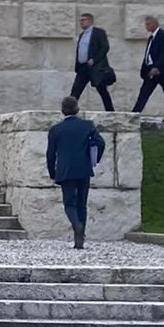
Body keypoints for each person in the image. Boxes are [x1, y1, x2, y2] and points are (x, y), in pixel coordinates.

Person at [46, 96, 106, 250]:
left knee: (69, 204)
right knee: (82, 204)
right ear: (77, 109)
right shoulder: (87, 125)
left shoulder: (56, 129)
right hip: (84, 169)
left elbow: (51, 155)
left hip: (65, 171)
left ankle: (76, 225)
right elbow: (100, 142)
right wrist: (94, 159)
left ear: (62, 111)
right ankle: (80, 238)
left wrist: (52, 173)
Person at [132, 14, 164, 122]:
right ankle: (134, 114)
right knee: (144, 93)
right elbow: (148, 54)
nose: (146, 26)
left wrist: (157, 67)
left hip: (162, 72)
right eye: (146, 24)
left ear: (154, 24)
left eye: (148, 24)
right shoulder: (151, 38)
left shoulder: (163, 35)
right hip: (151, 72)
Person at [70, 12, 116, 112]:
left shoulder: (98, 32)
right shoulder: (82, 35)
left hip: (95, 67)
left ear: (90, 21)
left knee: (102, 90)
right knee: (75, 90)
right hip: (83, 67)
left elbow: (105, 47)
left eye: (83, 20)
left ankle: (110, 112)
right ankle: (69, 111)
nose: (81, 23)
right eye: (80, 20)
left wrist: (95, 59)